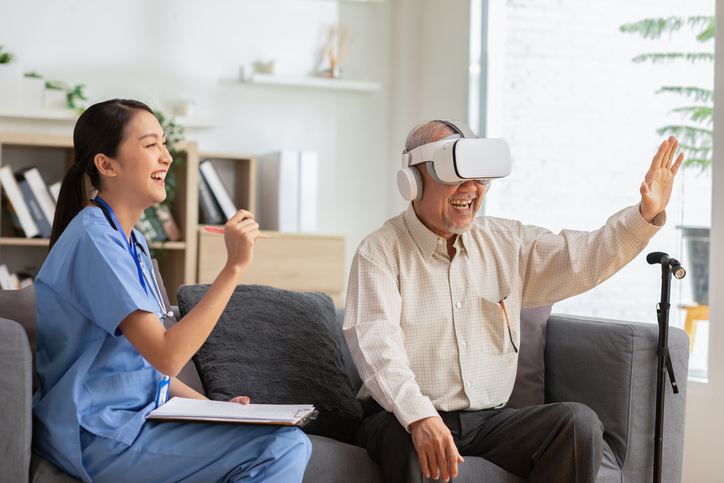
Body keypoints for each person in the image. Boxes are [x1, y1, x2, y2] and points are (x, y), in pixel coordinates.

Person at [343, 119, 684, 483]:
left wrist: (643, 215)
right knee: (407, 437)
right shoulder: (379, 252)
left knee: (578, 423)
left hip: (489, 422)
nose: (472, 189)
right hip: (400, 418)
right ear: (413, 179)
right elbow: (377, 345)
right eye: (456, 174)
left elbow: (581, 258)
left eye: (479, 178)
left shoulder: (507, 243)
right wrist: (419, 416)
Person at [32, 99, 311, 483]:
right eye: (150, 145)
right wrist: (233, 268)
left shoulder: (133, 243)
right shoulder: (94, 240)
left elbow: (147, 371)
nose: (166, 156)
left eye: (164, 144)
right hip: (98, 433)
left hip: (134, 421)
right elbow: (167, 356)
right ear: (106, 164)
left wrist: (217, 409)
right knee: (281, 446)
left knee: (285, 439)